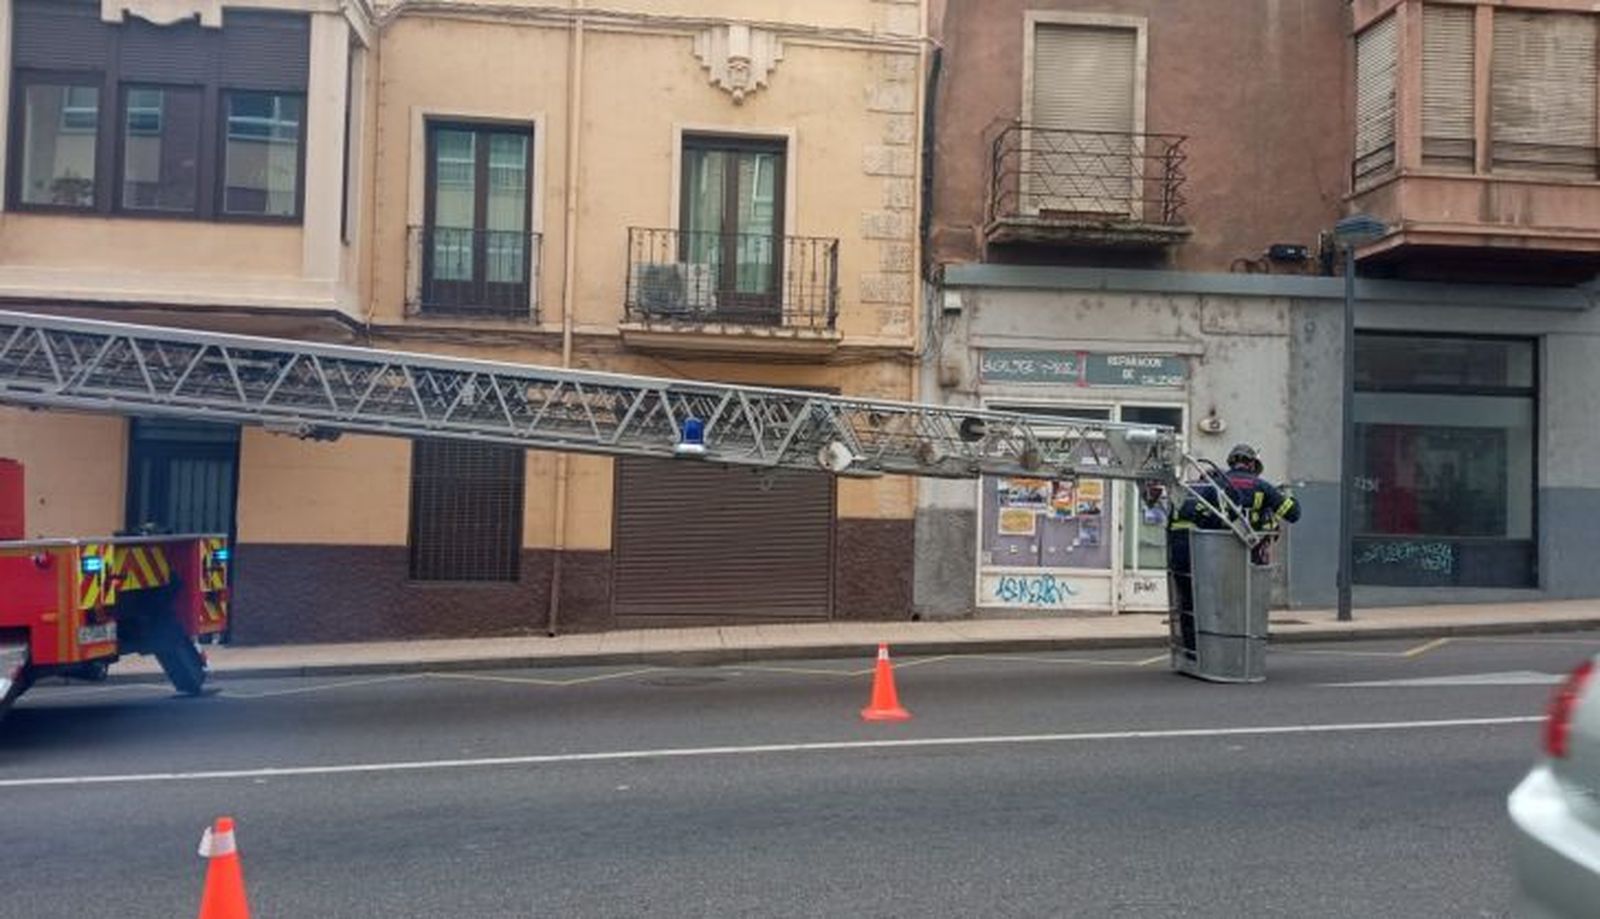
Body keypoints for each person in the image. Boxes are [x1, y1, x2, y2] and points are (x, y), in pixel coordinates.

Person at [1160, 443, 1302, 651]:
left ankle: (1211, 648)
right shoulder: (1263, 487)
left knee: (1214, 604)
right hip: (1252, 559)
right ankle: (1245, 647)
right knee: (1247, 604)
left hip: (1218, 557)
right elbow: (1293, 514)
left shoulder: (1214, 486)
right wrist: (1287, 497)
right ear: (1252, 464)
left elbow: (1199, 517)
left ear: (1230, 462)